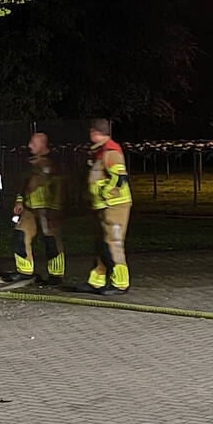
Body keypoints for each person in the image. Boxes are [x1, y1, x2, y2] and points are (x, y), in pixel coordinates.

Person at [1, 132, 65, 285]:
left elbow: (60, 188)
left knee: (51, 242)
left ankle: (56, 275)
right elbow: (23, 186)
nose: (30, 146)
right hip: (29, 208)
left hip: (47, 209)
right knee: (20, 235)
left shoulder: (52, 163)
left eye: (33, 143)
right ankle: (24, 272)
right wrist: (19, 201)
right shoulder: (29, 164)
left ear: (43, 145)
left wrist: (55, 208)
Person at [84, 118, 132, 295]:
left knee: (113, 243)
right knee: (101, 244)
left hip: (114, 206)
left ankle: (120, 282)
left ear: (96, 132)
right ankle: (97, 281)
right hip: (103, 206)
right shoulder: (99, 151)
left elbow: (119, 178)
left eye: (90, 132)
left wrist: (105, 193)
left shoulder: (111, 151)